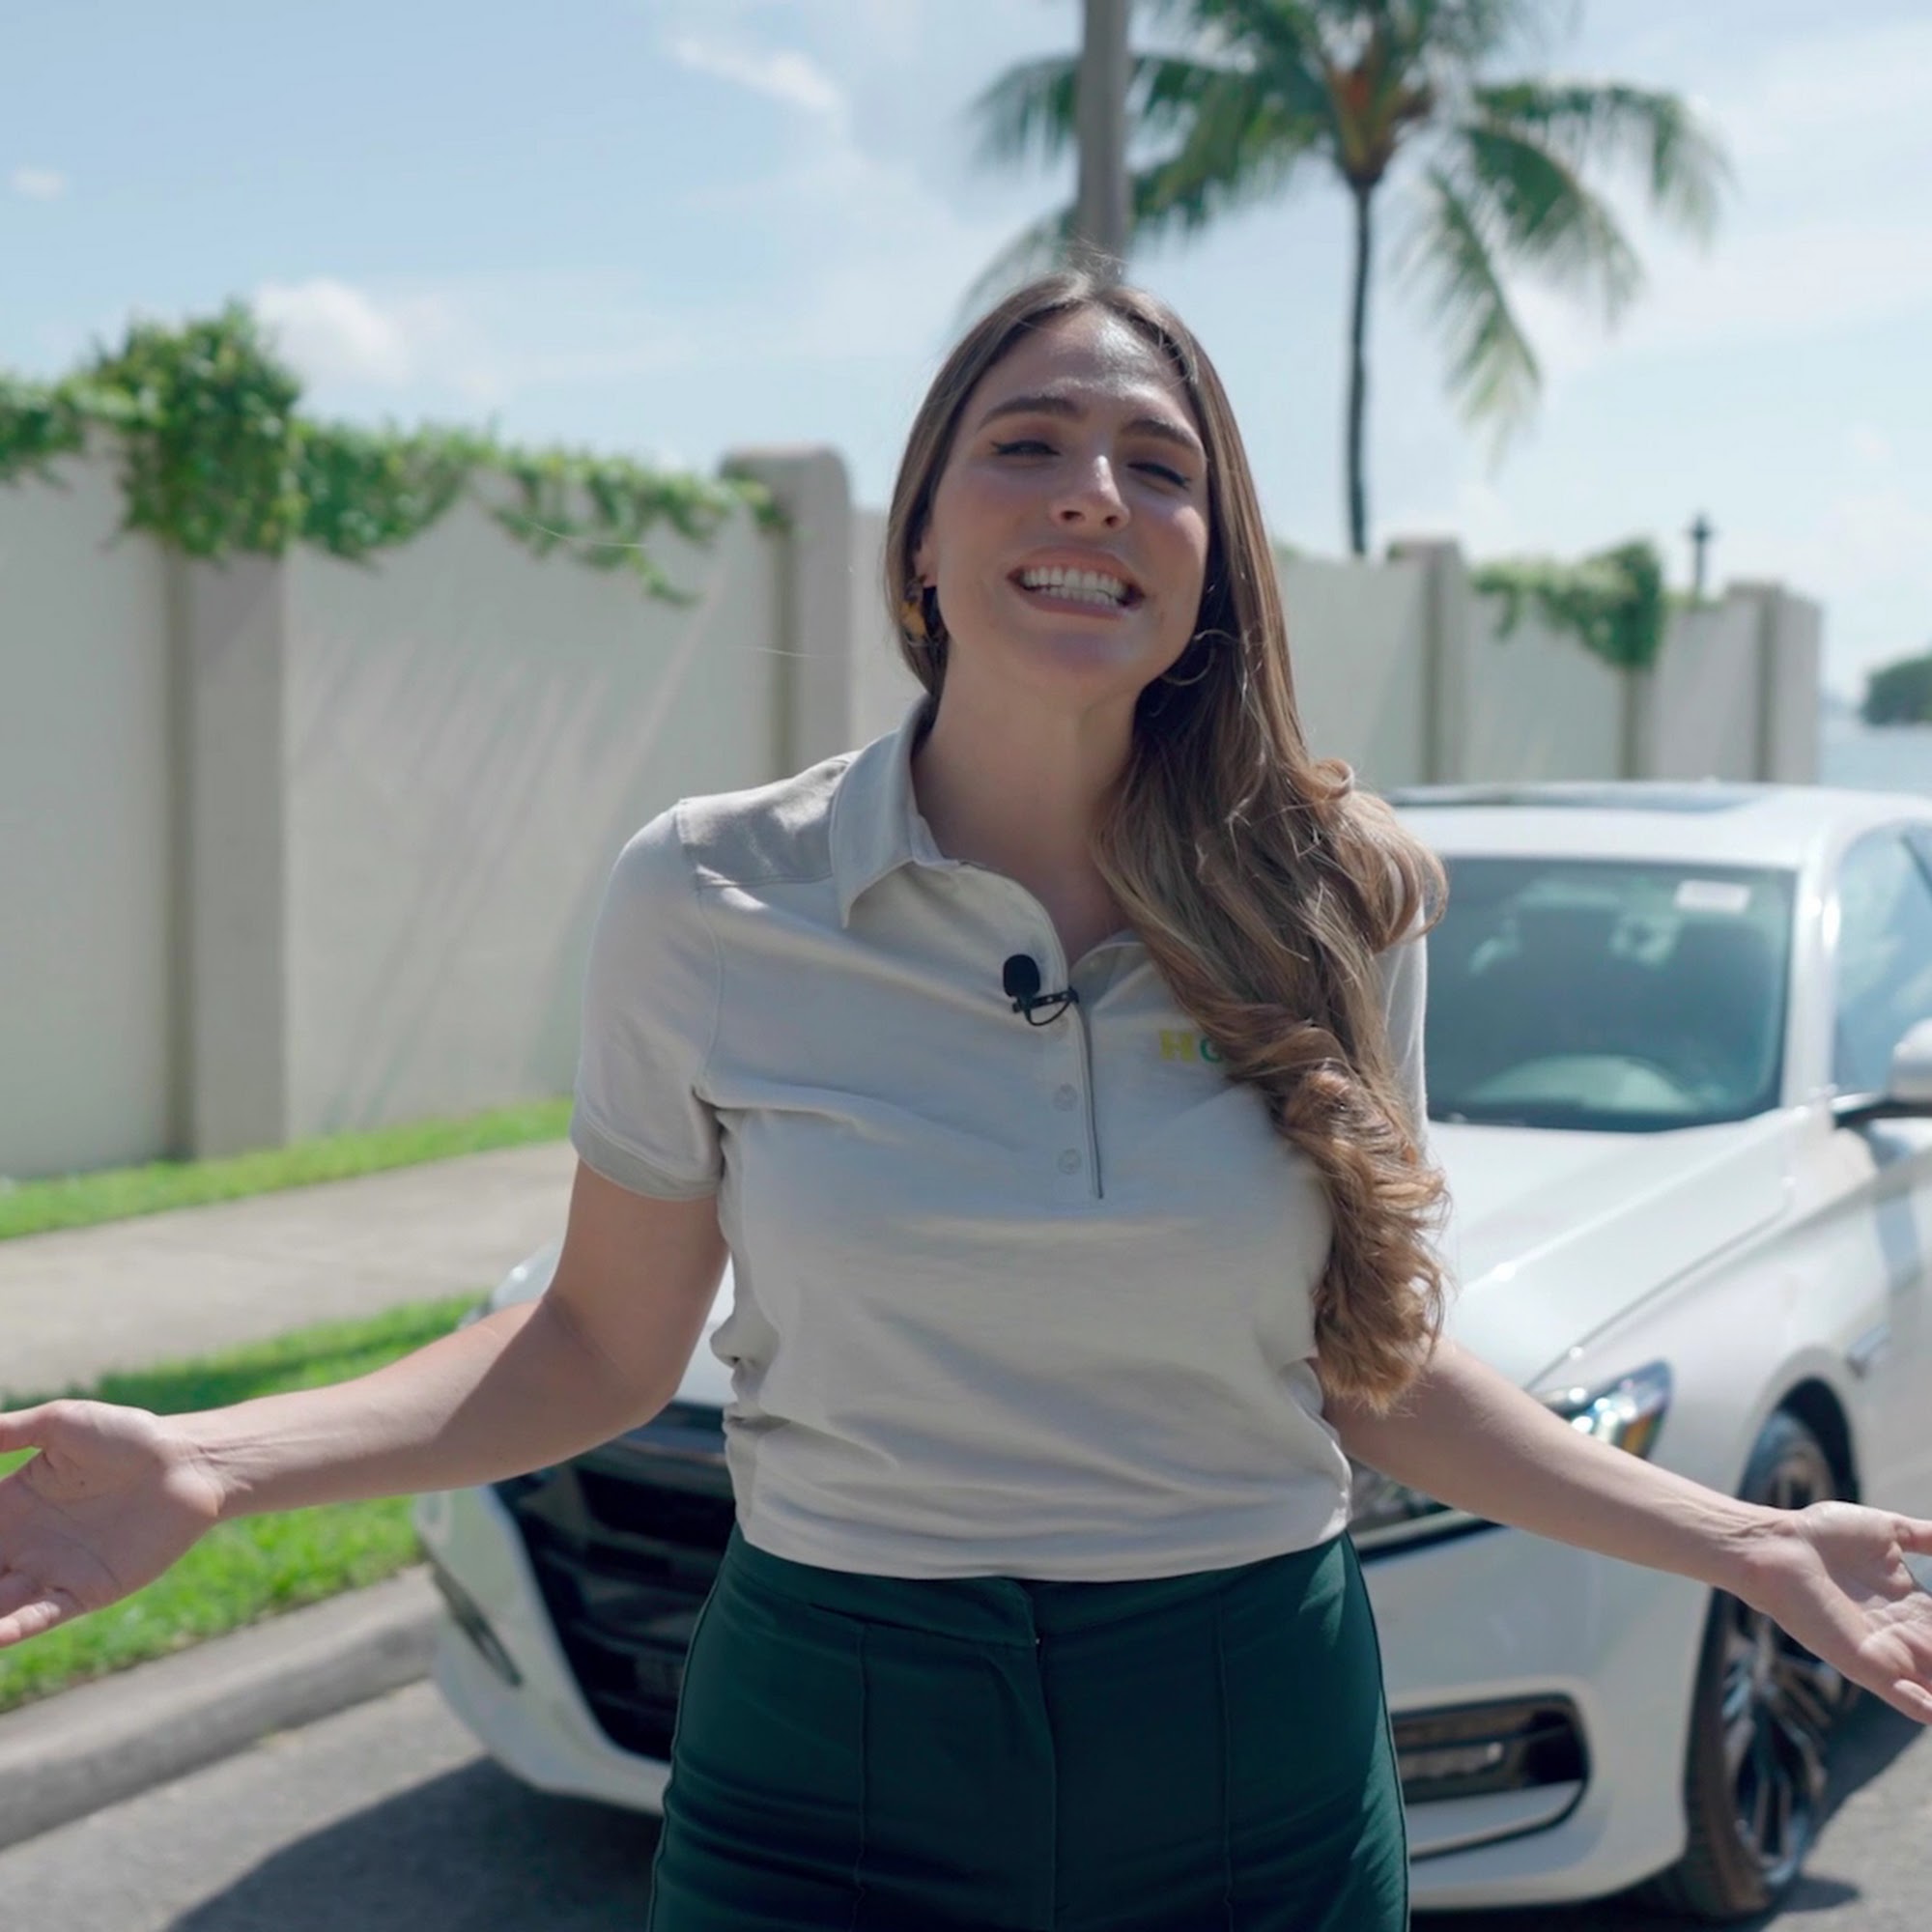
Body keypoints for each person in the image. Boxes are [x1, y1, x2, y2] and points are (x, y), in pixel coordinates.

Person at [2, 271, 1930, 1931]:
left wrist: (1741, 1542)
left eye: (1159, 463)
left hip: (1247, 1730)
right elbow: (595, 1341)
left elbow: (1377, 1372)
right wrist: (221, 1460)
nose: (1095, 489)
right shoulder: (710, 892)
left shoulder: (1336, 895)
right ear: (919, 535)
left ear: (1211, 563)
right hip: (832, 1738)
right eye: (1028, 442)